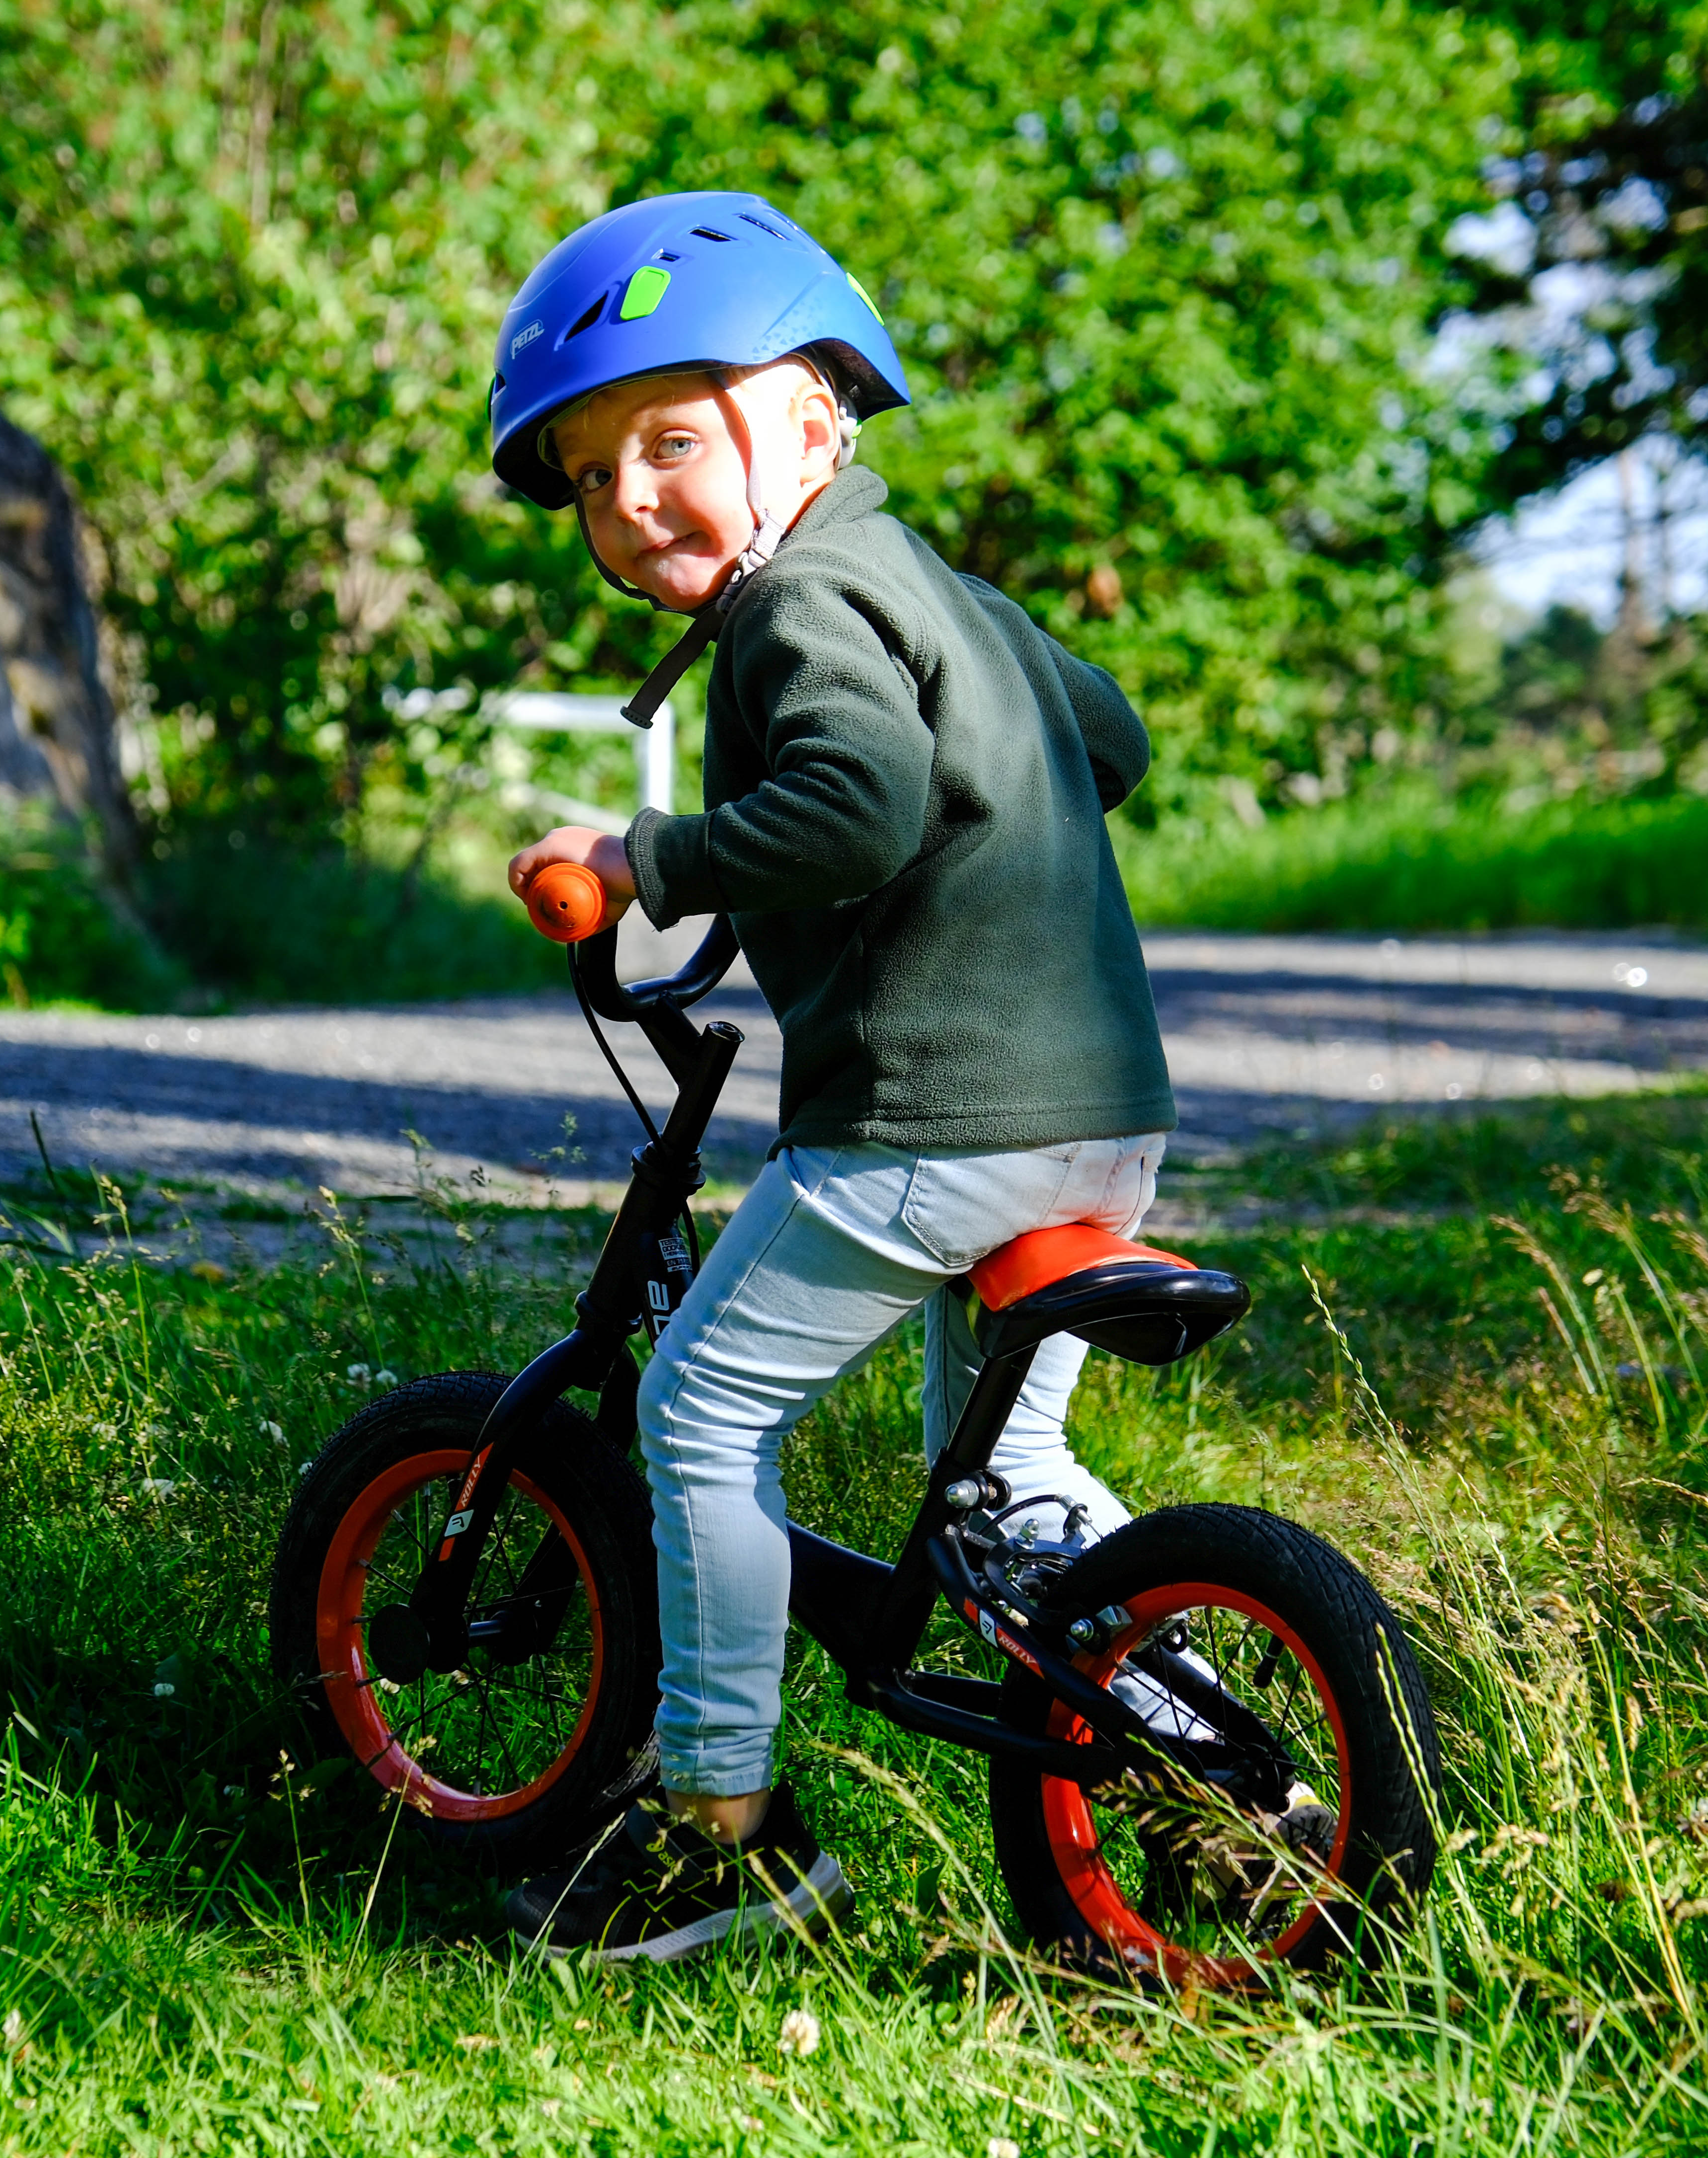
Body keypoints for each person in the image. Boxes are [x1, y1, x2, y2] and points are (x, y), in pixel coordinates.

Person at [484, 192, 1177, 1962]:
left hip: (936, 1125)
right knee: (1010, 1486)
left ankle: (721, 1827)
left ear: (809, 422)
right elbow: (1110, 742)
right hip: (1102, 1114)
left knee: (698, 1418)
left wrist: (654, 858)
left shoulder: (799, 608)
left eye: (664, 440)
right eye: (583, 477)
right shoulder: (945, 588)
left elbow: (855, 804)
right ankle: (1200, 1759)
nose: (624, 500)